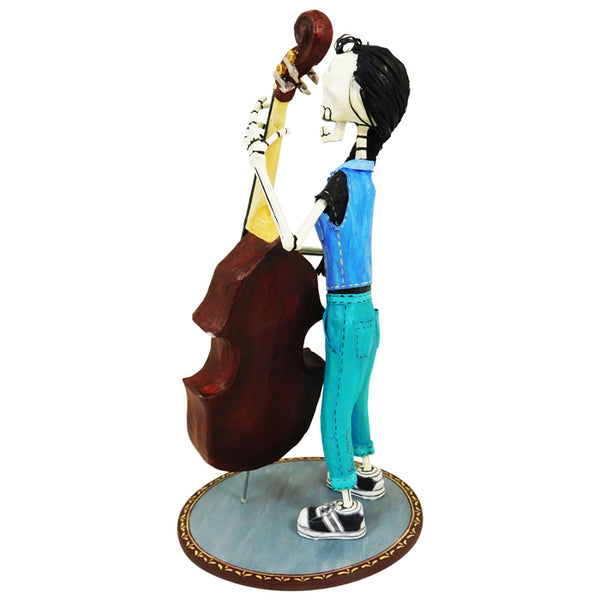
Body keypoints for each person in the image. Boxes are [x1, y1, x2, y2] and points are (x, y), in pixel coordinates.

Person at [245, 34, 410, 540]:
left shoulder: (341, 181)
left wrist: (259, 165)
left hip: (344, 315)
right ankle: (367, 473)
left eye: (340, 77)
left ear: (360, 99)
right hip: (366, 313)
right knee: (357, 402)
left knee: (334, 411)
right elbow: (342, 247)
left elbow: (292, 239)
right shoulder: (365, 177)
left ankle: (346, 508)